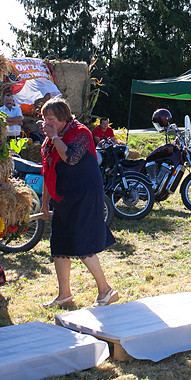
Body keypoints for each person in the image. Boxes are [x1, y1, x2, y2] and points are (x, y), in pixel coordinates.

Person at [39, 98, 119, 308]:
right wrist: (45, 203)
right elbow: (48, 170)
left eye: (51, 119)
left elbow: (71, 158)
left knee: (82, 243)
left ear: (63, 118)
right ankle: (64, 294)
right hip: (64, 196)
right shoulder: (50, 140)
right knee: (59, 244)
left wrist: (55, 137)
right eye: (44, 119)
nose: (46, 123)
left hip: (85, 195)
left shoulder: (81, 133)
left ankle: (106, 291)